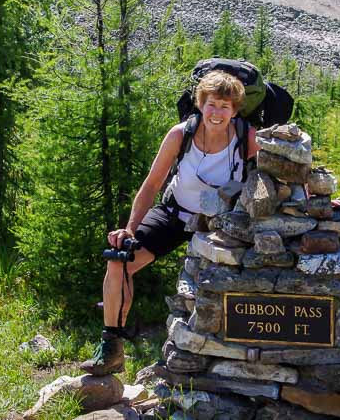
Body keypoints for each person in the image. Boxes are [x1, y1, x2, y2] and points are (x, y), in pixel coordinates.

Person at [80, 70, 259, 375]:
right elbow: (151, 185)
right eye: (212, 104)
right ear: (200, 103)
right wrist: (130, 229)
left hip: (221, 224)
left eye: (225, 106)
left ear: (235, 109)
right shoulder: (181, 134)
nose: (217, 113)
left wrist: (312, 196)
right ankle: (111, 345)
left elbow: (284, 168)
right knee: (119, 262)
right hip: (175, 214)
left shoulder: (247, 138)